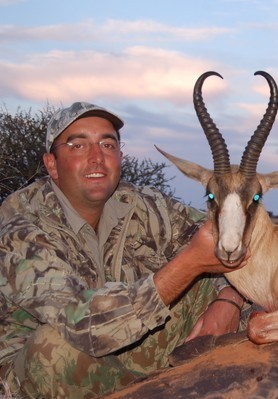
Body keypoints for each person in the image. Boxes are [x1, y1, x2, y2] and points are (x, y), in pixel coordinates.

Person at [0, 102, 247, 398]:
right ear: (51, 164)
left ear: (120, 156)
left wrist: (230, 297)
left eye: (107, 144)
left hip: (127, 356)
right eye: (78, 145)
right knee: (54, 347)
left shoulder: (144, 204)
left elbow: (226, 238)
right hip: (49, 373)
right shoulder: (17, 223)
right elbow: (81, 322)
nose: (96, 158)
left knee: (227, 289)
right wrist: (189, 264)